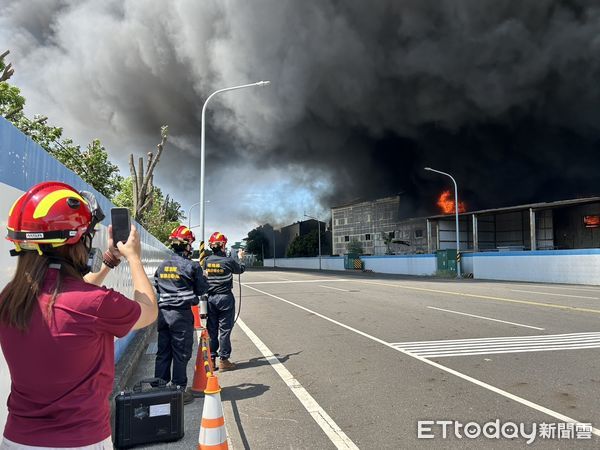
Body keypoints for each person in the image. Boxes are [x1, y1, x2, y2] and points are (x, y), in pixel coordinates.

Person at [0, 181, 157, 450]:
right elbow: (149, 310)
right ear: (73, 242)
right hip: (80, 441)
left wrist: (109, 260)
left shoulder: (10, 299)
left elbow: (70, 300)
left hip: (15, 439)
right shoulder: (96, 304)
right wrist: (133, 258)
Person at [154, 225, 208, 403]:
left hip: (163, 314)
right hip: (181, 316)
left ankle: (160, 388)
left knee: (163, 351)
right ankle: (178, 390)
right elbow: (201, 289)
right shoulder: (191, 266)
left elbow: (157, 286)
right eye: (190, 244)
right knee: (181, 353)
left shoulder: (161, 266)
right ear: (186, 245)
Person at [205, 232, 245, 371]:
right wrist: (240, 258)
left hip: (211, 299)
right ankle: (224, 360)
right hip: (225, 299)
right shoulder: (228, 261)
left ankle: (212, 360)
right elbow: (240, 270)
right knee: (225, 330)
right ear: (223, 245)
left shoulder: (207, 261)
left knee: (212, 329)